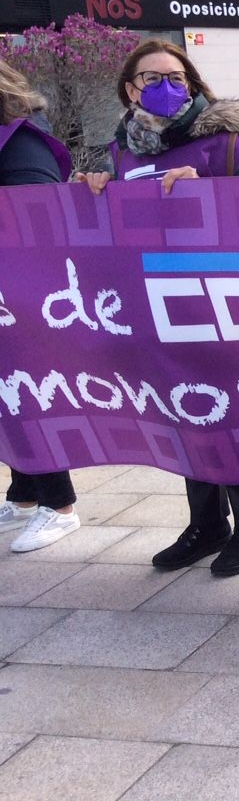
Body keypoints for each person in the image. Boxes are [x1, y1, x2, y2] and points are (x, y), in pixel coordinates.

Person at [75, 39, 239, 576]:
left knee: (230, 411)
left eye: (177, 77)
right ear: (128, 89)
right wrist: (91, 192)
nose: (168, 87)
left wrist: (211, 189)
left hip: (222, 303)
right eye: (152, 78)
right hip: (155, 307)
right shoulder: (121, 154)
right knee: (182, 411)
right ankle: (206, 524)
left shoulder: (230, 146)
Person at [0, 61, 82, 554]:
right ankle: (24, 493)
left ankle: (60, 505)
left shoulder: (22, 144)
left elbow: (39, 223)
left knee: (28, 394)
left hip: (24, 297)